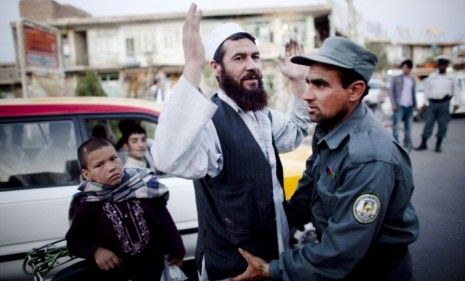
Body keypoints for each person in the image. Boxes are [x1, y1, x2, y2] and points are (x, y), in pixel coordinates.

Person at [231, 37, 419, 281]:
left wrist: (270, 270)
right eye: (308, 82)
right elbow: (306, 198)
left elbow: (340, 252)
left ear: (355, 91)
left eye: (320, 85)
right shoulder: (330, 128)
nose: (307, 95)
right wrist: (262, 229)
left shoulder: (368, 158)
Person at [152, 3, 311, 280]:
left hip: (273, 260)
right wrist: (192, 66)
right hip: (233, 271)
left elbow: (295, 133)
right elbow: (167, 158)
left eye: (255, 56)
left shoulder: (264, 116)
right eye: (239, 58)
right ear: (216, 67)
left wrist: (298, 82)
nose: (251, 66)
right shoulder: (210, 124)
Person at [65, 138, 185, 281]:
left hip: (154, 270)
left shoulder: (143, 187)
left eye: (113, 158)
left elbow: (165, 220)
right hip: (116, 275)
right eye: (99, 165)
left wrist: (178, 249)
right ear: (86, 174)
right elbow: (74, 242)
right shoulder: (87, 204)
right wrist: (96, 252)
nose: (110, 167)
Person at [416, 55, 459, 152]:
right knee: (428, 123)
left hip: (445, 103)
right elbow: (427, 91)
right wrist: (425, 103)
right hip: (432, 104)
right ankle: (423, 144)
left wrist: (457, 103)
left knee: (443, 125)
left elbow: (456, 91)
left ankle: (438, 145)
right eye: (440, 65)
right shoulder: (432, 77)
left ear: (447, 66)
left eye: (444, 65)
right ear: (437, 65)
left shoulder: (451, 77)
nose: (442, 67)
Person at [390, 59, 416, 151]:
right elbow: (391, 92)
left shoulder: (412, 79)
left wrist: (415, 104)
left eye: (406, 67)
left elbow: (413, 93)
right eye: (403, 67)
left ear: (410, 68)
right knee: (396, 125)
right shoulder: (396, 78)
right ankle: (395, 143)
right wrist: (393, 103)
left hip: (409, 105)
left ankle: (407, 142)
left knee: (408, 126)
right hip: (399, 105)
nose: (404, 69)